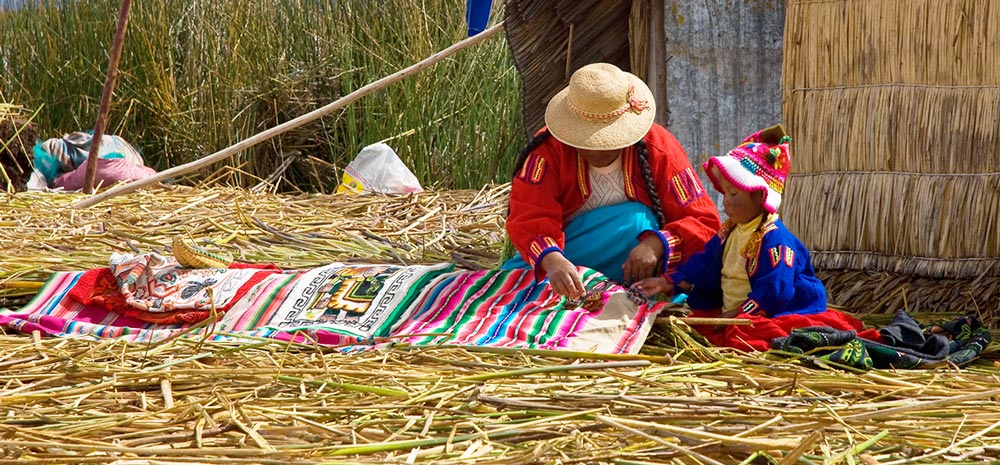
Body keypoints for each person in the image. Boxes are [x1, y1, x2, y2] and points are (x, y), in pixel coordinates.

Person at [631, 124, 879, 350]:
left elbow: (775, 292)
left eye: (734, 195)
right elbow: (704, 262)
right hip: (734, 314)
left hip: (769, 313)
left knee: (750, 340)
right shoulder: (730, 231)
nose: (725, 202)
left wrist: (738, 316)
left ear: (760, 197)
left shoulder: (776, 242)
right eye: (724, 193)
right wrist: (667, 282)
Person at [502, 62, 721, 299]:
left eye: (609, 140)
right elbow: (528, 215)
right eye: (586, 140)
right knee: (508, 290)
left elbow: (704, 222)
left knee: (638, 220)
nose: (598, 150)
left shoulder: (659, 148)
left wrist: (656, 244)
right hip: (567, 257)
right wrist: (553, 261)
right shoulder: (548, 151)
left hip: (640, 271)